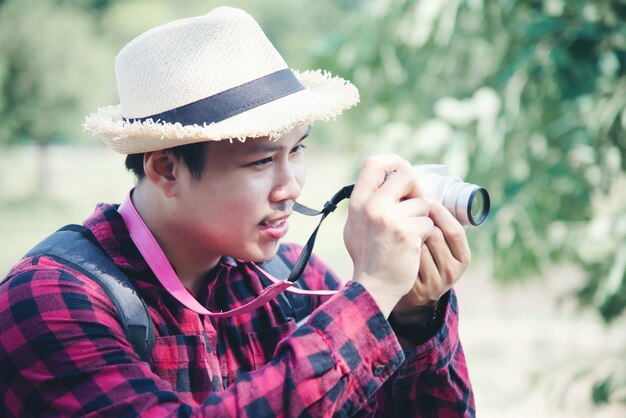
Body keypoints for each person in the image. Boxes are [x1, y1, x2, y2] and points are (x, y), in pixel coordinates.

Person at [0, 6, 475, 417]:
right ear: (166, 169)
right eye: (263, 160)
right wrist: (370, 298)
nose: (290, 186)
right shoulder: (48, 299)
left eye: (298, 150)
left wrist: (412, 317)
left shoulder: (294, 280)